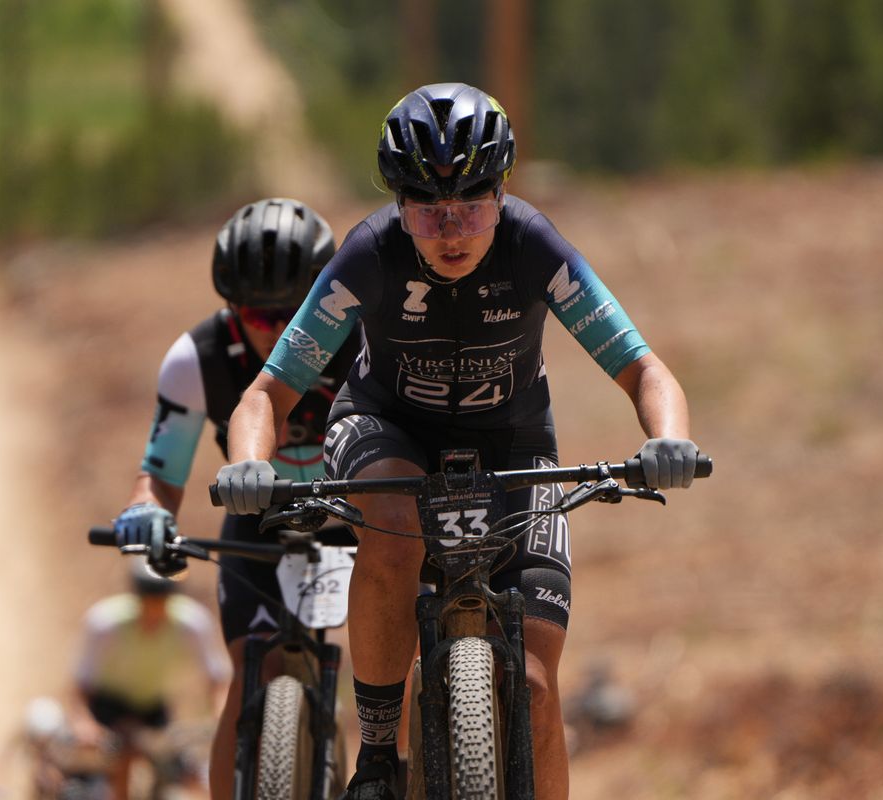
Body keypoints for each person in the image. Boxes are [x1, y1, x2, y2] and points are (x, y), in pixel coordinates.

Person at [211, 83, 704, 800]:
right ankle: (379, 756)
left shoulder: (534, 246)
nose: (450, 231)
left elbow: (644, 370)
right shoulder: (370, 253)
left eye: (471, 206)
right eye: (426, 210)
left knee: (534, 686)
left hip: (513, 439)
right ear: (397, 206)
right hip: (386, 424)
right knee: (396, 532)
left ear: (503, 193)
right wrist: (250, 462)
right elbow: (266, 393)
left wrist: (670, 439)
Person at [108, 197, 359, 800]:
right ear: (228, 306)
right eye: (255, 313)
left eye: (291, 312)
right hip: (260, 526)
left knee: (397, 665)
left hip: (362, 516)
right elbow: (161, 473)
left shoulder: (368, 341)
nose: (275, 330)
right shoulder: (195, 359)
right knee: (250, 670)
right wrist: (148, 510)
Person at [69, 560, 229, 800]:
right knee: (118, 768)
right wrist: (84, 723)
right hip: (107, 710)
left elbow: (217, 678)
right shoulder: (105, 623)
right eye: (148, 600)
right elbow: (81, 684)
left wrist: (220, 716)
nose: (154, 610)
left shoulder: (193, 624)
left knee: (188, 776)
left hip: (154, 710)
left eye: (161, 601)